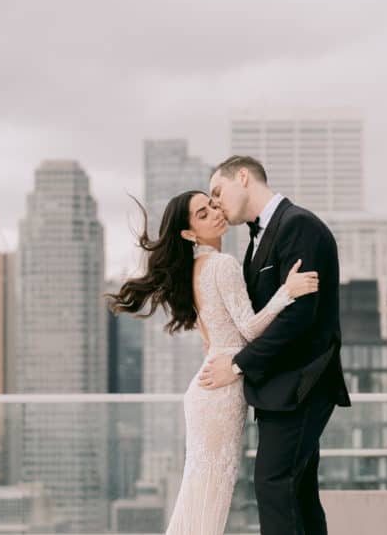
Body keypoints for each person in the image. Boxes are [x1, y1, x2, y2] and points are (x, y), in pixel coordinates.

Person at [107, 189, 320, 535]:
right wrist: (287, 292)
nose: (215, 214)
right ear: (189, 234)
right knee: (210, 501)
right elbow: (249, 330)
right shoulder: (222, 265)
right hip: (219, 393)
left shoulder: (197, 268)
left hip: (209, 389)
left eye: (212, 206)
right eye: (202, 214)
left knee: (199, 497)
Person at [199, 155, 351, 535]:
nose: (215, 204)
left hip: (302, 384)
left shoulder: (299, 226)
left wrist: (237, 363)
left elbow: (299, 318)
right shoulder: (256, 242)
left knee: (272, 484)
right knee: (297, 492)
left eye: (218, 192)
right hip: (279, 388)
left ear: (244, 177)